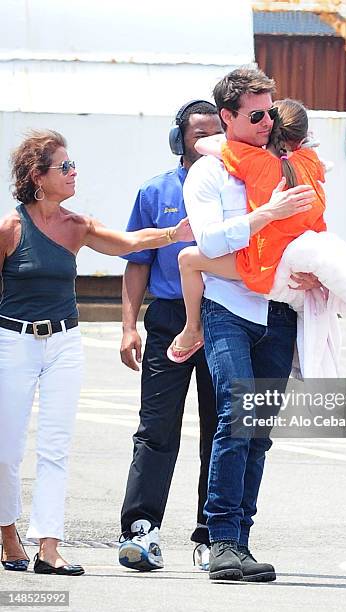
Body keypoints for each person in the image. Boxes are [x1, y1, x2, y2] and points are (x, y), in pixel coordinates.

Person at [0, 129, 193, 576]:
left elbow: (126, 244)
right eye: (64, 167)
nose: (73, 173)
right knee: (7, 450)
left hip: (65, 341)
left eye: (73, 165)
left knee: (56, 447)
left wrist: (171, 233)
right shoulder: (10, 228)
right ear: (37, 176)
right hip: (13, 340)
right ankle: (8, 536)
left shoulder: (76, 225)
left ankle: (49, 545)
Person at [182, 68, 322, 582]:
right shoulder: (210, 172)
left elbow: (302, 232)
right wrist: (266, 213)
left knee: (258, 432)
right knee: (235, 420)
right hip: (229, 310)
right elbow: (210, 242)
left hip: (279, 310)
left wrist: (310, 267)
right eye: (255, 114)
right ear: (227, 117)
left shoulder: (285, 165)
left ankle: (240, 542)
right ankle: (219, 540)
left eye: (270, 111)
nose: (267, 122)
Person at [117, 100, 221, 572]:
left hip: (224, 320)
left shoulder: (235, 188)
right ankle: (141, 529)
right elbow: (136, 265)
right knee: (156, 428)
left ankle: (212, 534)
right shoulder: (155, 190)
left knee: (219, 431)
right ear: (179, 139)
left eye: (216, 132)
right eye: (198, 134)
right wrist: (128, 326)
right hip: (167, 322)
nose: (208, 142)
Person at [167, 98, 327, 361]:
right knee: (267, 400)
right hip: (291, 269)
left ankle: (192, 327)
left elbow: (201, 144)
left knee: (187, 259)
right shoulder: (311, 164)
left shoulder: (255, 162)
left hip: (261, 267)